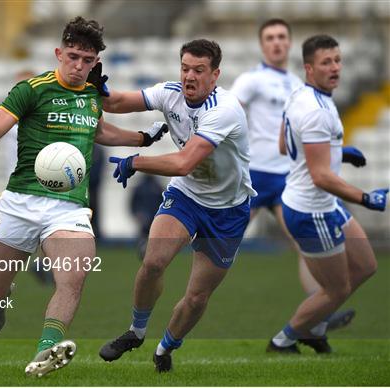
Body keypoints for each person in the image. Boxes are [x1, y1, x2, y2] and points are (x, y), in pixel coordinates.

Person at [0, 16, 168, 377]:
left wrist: (143, 139)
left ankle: (45, 351)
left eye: (87, 60)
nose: (79, 66)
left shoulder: (93, 95)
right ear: (59, 53)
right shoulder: (30, 89)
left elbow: (99, 131)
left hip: (69, 207)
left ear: (97, 62)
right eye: (74, 56)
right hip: (20, 203)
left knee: (73, 275)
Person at [97, 39, 256, 372]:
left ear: (215, 75)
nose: (189, 77)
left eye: (199, 70)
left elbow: (184, 161)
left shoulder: (224, 109)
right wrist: (95, 87)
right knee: (153, 260)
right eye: (185, 68)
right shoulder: (169, 93)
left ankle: (165, 346)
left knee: (197, 297)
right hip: (187, 195)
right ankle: (136, 332)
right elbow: (116, 103)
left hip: (228, 210)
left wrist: (136, 161)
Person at [231, 18, 356, 331]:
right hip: (255, 176)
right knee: (219, 239)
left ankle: (317, 317)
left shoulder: (298, 85)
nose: (276, 42)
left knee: (305, 247)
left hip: (287, 179)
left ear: (289, 43)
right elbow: (227, 112)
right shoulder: (251, 80)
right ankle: (160, 244)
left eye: (282, 37)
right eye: (270, 37)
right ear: (262, 45)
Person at [268, 35, 387, 354]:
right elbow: (320, 176)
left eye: (337, 60)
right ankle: (285, 339)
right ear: (309, 68)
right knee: (336, 289)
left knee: (365, 266)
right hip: (311, 210)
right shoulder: (317, 110)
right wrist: (367, 198)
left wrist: (337, 151)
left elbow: (284, 145)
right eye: (326, 62)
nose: (335, 68)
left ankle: (313, 325)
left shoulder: (301, 95)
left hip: (320, 204)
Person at [129, 174, 164, 260]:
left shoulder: (158, 187)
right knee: (143, 237)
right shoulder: (140, 187)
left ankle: (153, 254)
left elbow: (163, 203)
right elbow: (133, 203)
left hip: (155, 218)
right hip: (145, 218)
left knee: (154, 238)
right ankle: (142, 253)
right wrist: (137, 213)